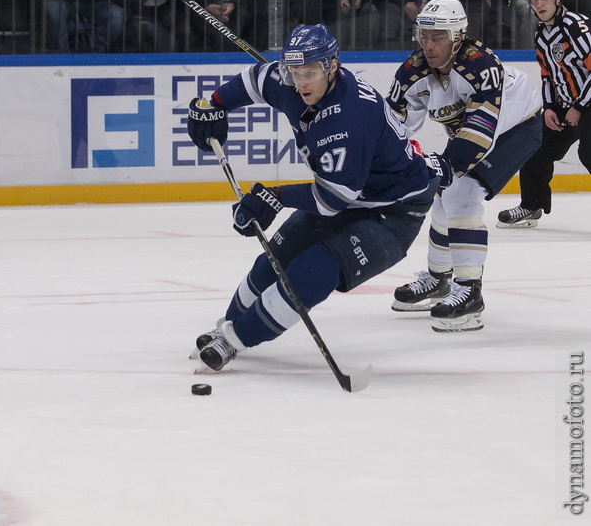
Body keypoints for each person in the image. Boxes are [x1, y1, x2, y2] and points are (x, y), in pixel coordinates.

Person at [184, 24, 438, 372]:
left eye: (310, 73)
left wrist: (276, 196)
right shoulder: (290, 80)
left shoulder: (351, 116)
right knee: (276, 257)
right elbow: (255, 79)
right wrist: (213, 103)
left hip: (393, 211)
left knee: (315, 269)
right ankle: (226, 326)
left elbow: (334, 199)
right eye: (295, 72)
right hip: (346, 191)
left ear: (332, 66)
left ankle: (234, 341)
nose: (301, 82)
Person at [387, 0, 542, 332]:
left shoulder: (479, 65)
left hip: (517, 128)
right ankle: (438, 279)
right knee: (443, 200)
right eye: (424, 35)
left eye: (438, 37)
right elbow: (392, 125)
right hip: (476, 132)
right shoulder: (413, 70)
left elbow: (479, 131)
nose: (429, 45)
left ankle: (471, 293)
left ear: (458, 37)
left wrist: (444, 167)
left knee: (461, 192)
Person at [498, 0, 591, 227]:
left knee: (589, 152)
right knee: (532, 146)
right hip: (563, 105)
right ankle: (531, 205)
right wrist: (550, 107)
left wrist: (579, 107)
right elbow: (548, 74)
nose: (539, 4)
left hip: (587, 101)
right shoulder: (541, 33)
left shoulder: (576, 26)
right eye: (535, 0)